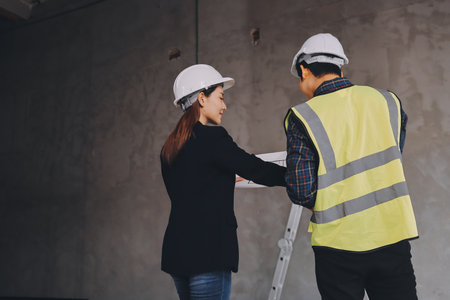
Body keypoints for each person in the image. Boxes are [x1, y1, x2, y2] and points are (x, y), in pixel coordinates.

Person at [284, 33, 419, 300]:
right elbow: (392, 153)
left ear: (304, 69)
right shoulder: (387, 100)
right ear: (340, 67)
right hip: (391, 235)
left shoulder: (303, 116)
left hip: (337, 246)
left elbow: (301, 191)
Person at [160, 64, 286, 300]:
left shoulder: (170, 147)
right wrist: (294, 175)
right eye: (220, 97)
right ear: (201, 98)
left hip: (177, 252)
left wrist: (228, 177)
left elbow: (199, 184)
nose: (224, 105)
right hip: (208, 252)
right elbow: (255, 169)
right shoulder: (213, 138)